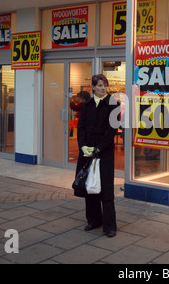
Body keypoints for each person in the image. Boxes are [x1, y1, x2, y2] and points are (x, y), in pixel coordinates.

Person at [75, 74, 120, 237]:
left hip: (104, 152)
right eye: (100, 85)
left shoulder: (114, 104)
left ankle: (110, 226)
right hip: (87, 152)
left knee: (106, 189)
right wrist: (83, 146)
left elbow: (112, 130)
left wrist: (99, 148)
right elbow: (81, 127)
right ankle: (93, 220)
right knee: (89, 186)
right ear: (93, 87)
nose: (103, 88)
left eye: (105, 85)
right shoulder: (86, 106)